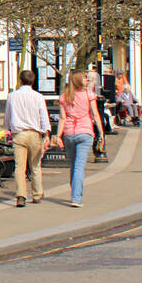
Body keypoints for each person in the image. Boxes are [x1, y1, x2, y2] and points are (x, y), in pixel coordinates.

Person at [54, 69, 103, 208]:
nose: (87, 80)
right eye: (84, 78)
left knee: (74, 165)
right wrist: (101, 133)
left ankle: (75, 190)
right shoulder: (89, 95)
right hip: (85, 132)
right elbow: (95, 114)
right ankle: (76, 197)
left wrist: (58, 135)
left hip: (69, 133)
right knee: (79, 167)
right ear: (78, 80)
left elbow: (62, 118)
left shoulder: (64, 97)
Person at [4, 69, 51, 206]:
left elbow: (8, 115)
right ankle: (37, 194)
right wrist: (46, 133)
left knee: (20, 167)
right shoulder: (38, 97)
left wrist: (8, 128)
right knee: (35, 165)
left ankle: (21, 195)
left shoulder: (12, 96)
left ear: (20, 80)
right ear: (33, 81)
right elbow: (43, 116)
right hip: (34, 133)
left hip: (19, 134)